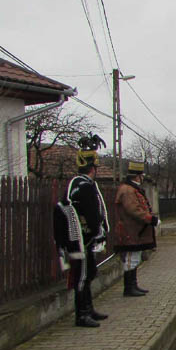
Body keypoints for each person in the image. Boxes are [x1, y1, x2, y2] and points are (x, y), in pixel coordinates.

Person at [54, 134, 110, 327]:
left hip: (82, 238)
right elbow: (91, 214)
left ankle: (89, 308)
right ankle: (81, 314)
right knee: (82, 276)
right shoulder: (83, 186)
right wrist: (97, 232)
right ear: (93, 168)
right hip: (81, 240)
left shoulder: (78, 184)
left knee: (88, 274)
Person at [113, 160, 158, 297]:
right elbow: (134, 210)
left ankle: (134, 284)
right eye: (142, 175)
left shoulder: (132, 189)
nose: (142, 178)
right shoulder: (128, 190)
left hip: (135, 231)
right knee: (130, 259)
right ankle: (129, 287)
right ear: (138, 176)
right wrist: (150, 219)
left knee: (135, 257)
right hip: (129, 231)